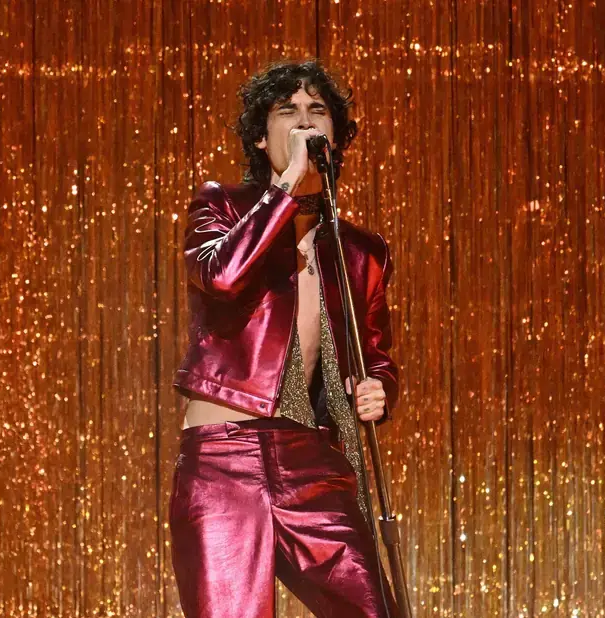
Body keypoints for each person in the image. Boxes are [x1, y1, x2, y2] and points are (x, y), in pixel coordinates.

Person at [170, 59, 399, 618]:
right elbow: (221, 276)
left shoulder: (360, 251)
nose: (304, 122)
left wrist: (380, 388)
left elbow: (375, 355)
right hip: (224, 453)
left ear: (335, 137)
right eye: (286, 111)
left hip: (311, 456)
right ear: (260, 135)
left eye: (317, 111)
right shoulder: (221, 206)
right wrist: (284, 189)